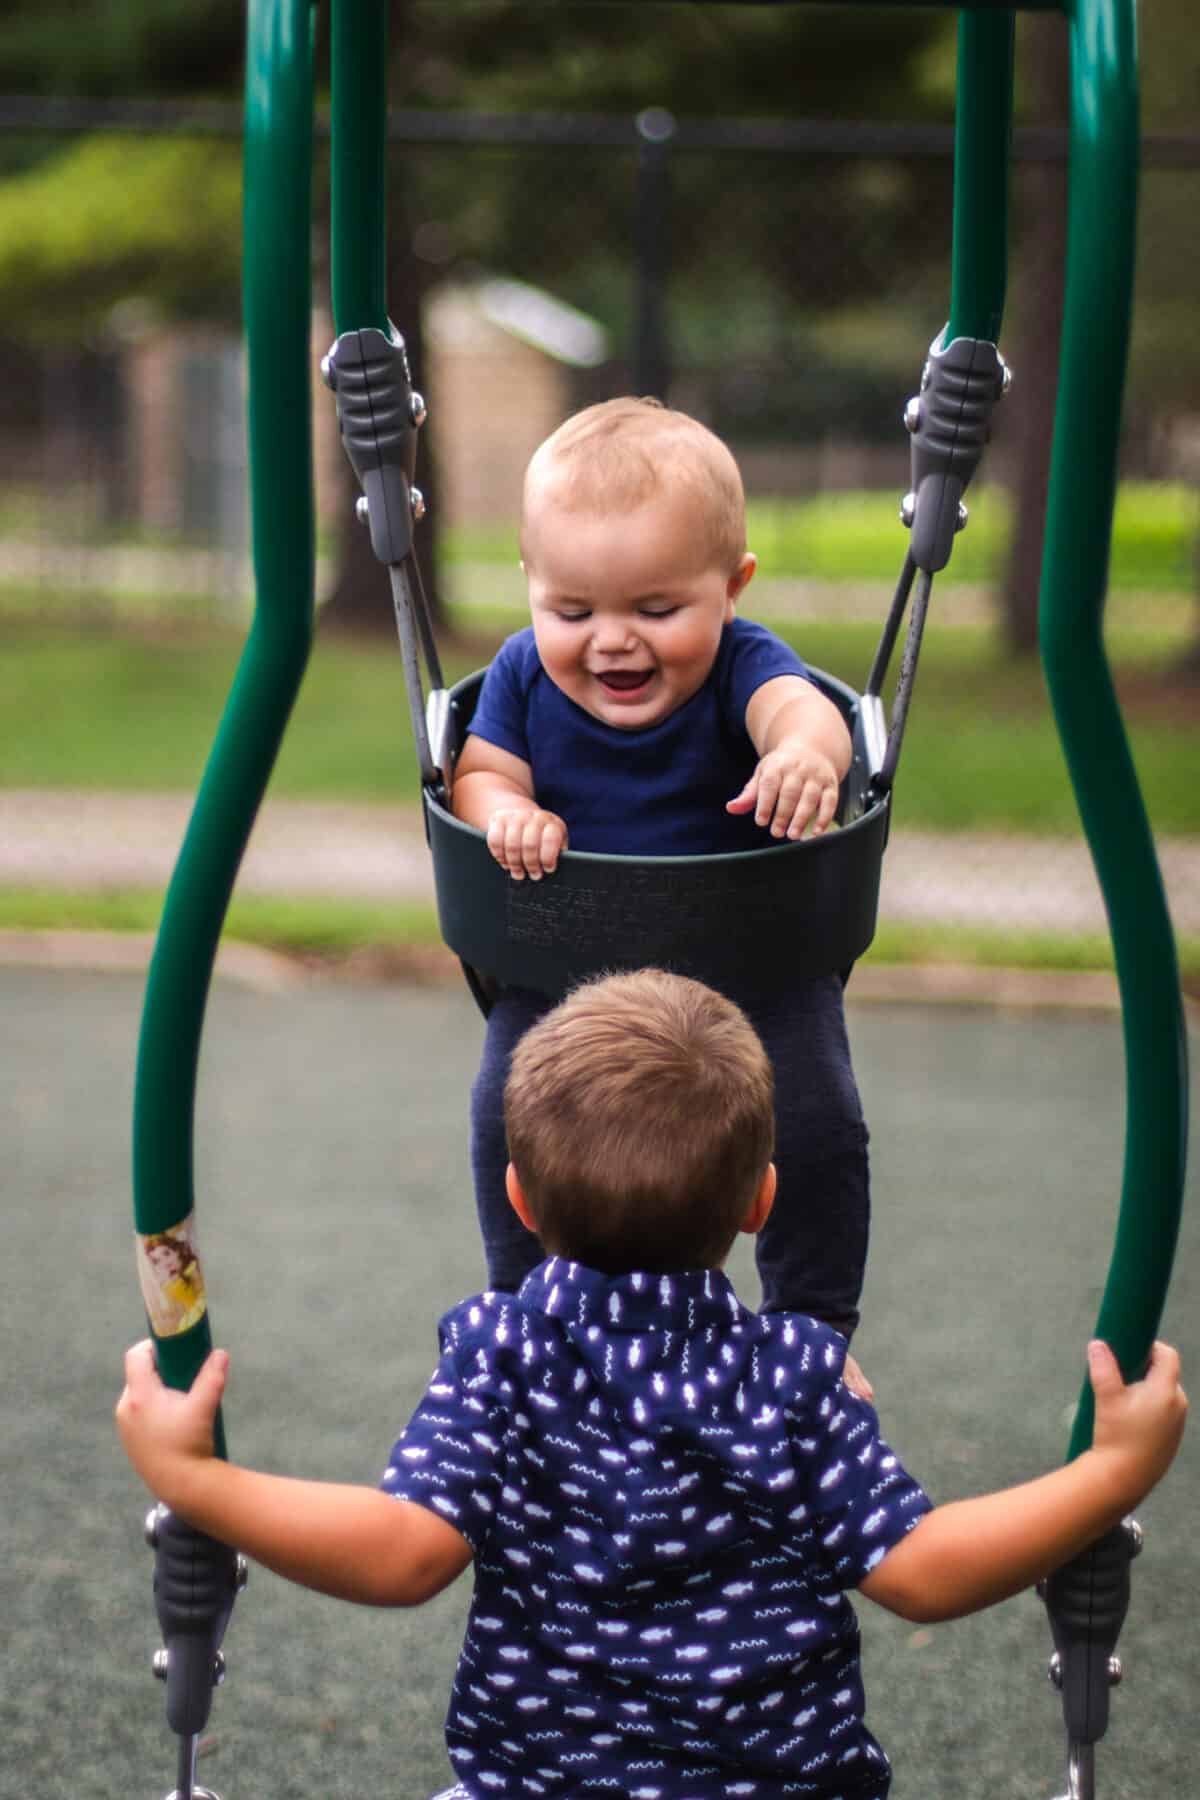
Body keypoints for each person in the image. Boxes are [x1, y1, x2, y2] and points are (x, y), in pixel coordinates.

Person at [118, 970, 1187, 1800]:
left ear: (517, 1200)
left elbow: (403, 1556)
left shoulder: (502, 1354)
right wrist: (1111, 1472)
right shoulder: (796, 1373)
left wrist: (200, 1480)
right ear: (761, 1201)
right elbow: (920, 1571)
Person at [452, 396, 868, 1347]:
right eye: (571, 609)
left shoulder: (741, 665)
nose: (611, 639)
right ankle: (531, 1320)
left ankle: (814, 1326)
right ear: (531, 586)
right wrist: (506, 812)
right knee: (502, 1108)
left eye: (656, 608)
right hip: (567, 965)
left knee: (817, 1119)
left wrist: (802, 756)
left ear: (733, 586)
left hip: (751, 961)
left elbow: (802, 714)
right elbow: (477, 773)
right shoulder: (521, 674)